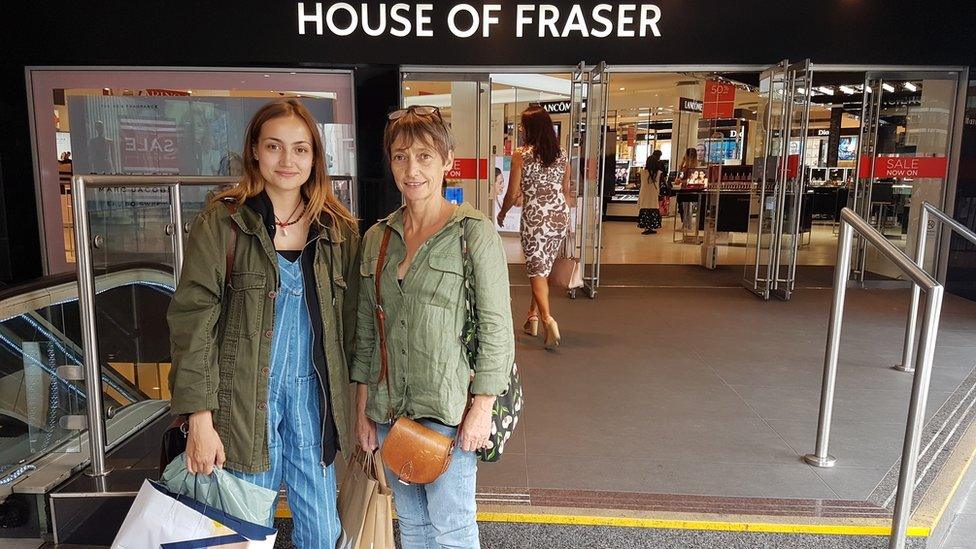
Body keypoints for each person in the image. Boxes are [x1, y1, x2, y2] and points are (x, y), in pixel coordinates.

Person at [168, 98, 360, 548]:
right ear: (255, 150)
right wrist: (199, 418)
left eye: (300, 149)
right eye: (274, 147)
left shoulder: (337, 230)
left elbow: (354, 326)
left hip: (314, 405)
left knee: (323, 531)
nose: (287, 160)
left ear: (315, 157)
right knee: (243, 532)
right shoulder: (224, 222)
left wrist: (361, 408)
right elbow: (192, 322)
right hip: (243, 402)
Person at [352, 105, 514, 549]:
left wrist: (481, 408)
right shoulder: (378, 237)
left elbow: (498, 329)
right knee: (415, 525)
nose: (412, 169)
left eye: (425, 156)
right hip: (390, 410)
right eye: (401, 156)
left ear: (447, 161)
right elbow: (368, 332)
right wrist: (364, 410)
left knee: (454, 528)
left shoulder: (472, 233)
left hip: (450, 411)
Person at [497, 105, 572, 349]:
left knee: (537, 270)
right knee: (542, 268)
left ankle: (548, 319)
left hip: (536, 218)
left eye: (522, 125)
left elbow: (511, 193)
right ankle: (532, 317)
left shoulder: (521, 154)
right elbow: (565, 190)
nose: (520, 128)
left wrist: (503, 212)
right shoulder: (561, 153)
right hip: (559, 216)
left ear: (529, 128)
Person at [638, 149, 663, 235]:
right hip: (654, 195)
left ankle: (646, 227)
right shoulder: (658, 173)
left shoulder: (643, 173)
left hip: (644, 194)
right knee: (653, 210)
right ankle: (651, 226)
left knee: (645, 210)